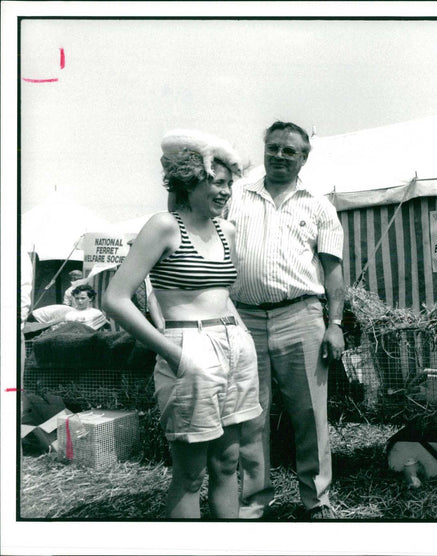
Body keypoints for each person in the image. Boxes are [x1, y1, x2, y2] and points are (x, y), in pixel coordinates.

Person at [103, 129, 261, 519]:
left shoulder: (228, 230)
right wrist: (172, 352)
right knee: (190, 475)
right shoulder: (164, 226)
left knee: (228, 464)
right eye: (217, 183)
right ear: (191, 182)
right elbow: (115, 298)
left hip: (235, 347)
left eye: (229, 184)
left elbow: (224, 295)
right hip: (190, 347)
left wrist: (242, 340)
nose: (226, 192)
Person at [227, 121, 344, 520]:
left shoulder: (319, 205)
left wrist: (336, 323)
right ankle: (254, 502)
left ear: (304, 158)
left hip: (301, 315)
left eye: (289, 151)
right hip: (244, 318)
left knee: (310, 413)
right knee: (250, 414)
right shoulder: (236, 197)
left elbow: (332, 272)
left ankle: (316, 500)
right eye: (273, 148)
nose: (279, 156)